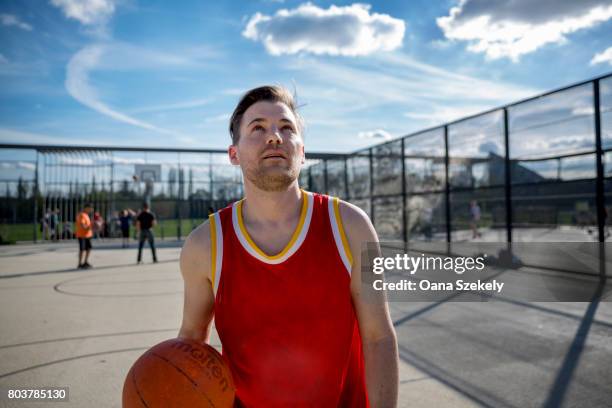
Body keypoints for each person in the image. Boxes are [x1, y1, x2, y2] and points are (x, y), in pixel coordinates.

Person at [178, 85, 398, 407]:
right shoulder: (205, 244)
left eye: (286, 128)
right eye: (258, 128)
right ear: (234, 154)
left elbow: (378, 337)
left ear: (302, 151)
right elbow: (191, 339)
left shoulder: (349, 226)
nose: (274, 137)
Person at [75, 203, 93, 269]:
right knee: (82, 249)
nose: (91, 210)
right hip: (82, 235)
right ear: (86, 208)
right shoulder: (81, 215)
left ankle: (85, 262)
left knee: (89, 248)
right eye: (90, 208)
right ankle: (80, 263)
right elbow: (82, 225)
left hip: (88, 235)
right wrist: (88, 227)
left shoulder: (86, 215)